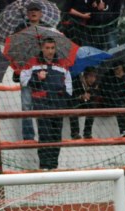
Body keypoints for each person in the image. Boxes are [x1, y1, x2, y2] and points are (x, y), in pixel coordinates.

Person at [20, 38, 71, 170]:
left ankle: (54, 165)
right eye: (47, 48)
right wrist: (37, 78)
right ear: (42, 48)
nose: (50, 51)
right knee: (45, 135)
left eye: (52, 48)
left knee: (56, 136)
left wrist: (62, 94)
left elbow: (69, 87)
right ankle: (44, 165)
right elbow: (23, 80)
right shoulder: (32, 62)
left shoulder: (63, 64)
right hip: (41, 104)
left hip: (58, 105)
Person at [13, 2, 51, 142]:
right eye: (31, 11)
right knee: (26, 104)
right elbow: (14, 48)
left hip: (44, 70)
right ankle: (28, 136)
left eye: (36, 10)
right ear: (27, 13)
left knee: (44, 105)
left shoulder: (47, 28)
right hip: (27, 70)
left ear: (41, 13)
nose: (33, 13)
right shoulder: (20, 28)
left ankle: (45, 135)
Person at [69, 66, 99, 140]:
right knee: (74, 107)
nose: (92, 79)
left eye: (94, 76)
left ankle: (87, 133)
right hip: (74, 103)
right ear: (85, 76)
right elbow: (71, 96)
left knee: (92, 106)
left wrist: (90, 94)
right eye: (90, 76)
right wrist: (81, 97)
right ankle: (75, 133)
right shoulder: (76, 81)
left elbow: (95, 95)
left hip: (85, 104)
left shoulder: (94, 85)